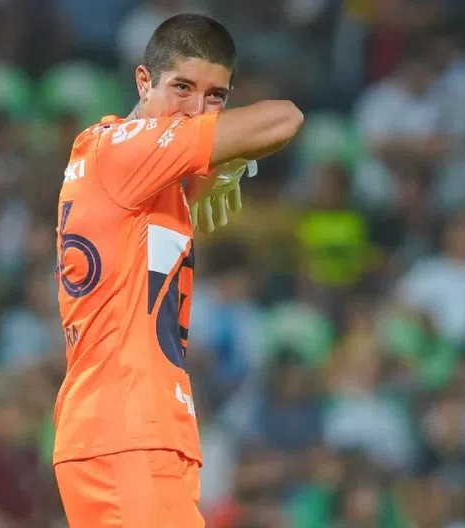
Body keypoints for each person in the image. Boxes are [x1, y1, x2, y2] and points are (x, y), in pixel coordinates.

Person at [51, 13, 303, 528]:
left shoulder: (138, 173)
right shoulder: (124, 149)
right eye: (182, 88)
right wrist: (232, 153)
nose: (196, 110)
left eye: (215, 97)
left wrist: (218, 165)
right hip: (127, 429)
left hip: (138, 431)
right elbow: (285, 118)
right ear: (144, 81)